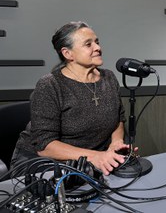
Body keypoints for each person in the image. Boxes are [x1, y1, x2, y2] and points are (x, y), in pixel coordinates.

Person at [11, 21, 130, 176]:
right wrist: (96, 156)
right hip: (43, 161)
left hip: (90, 159)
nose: (98, 48)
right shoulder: (50, 85)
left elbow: (118, 119)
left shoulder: (109, 77)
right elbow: (45, 146)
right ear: (68, 54)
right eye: (88, 44)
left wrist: (116, 143)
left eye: (97, 42)